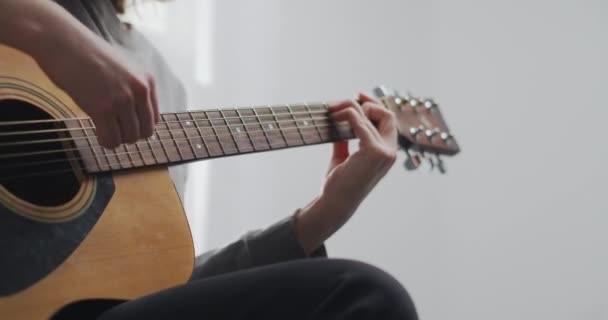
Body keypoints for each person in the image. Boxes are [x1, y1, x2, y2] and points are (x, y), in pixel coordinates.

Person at [0, 1, 419, 319]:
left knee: (362, 296)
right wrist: (49, 32)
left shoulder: (160, 84)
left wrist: (323, 215)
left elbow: (152, 287)